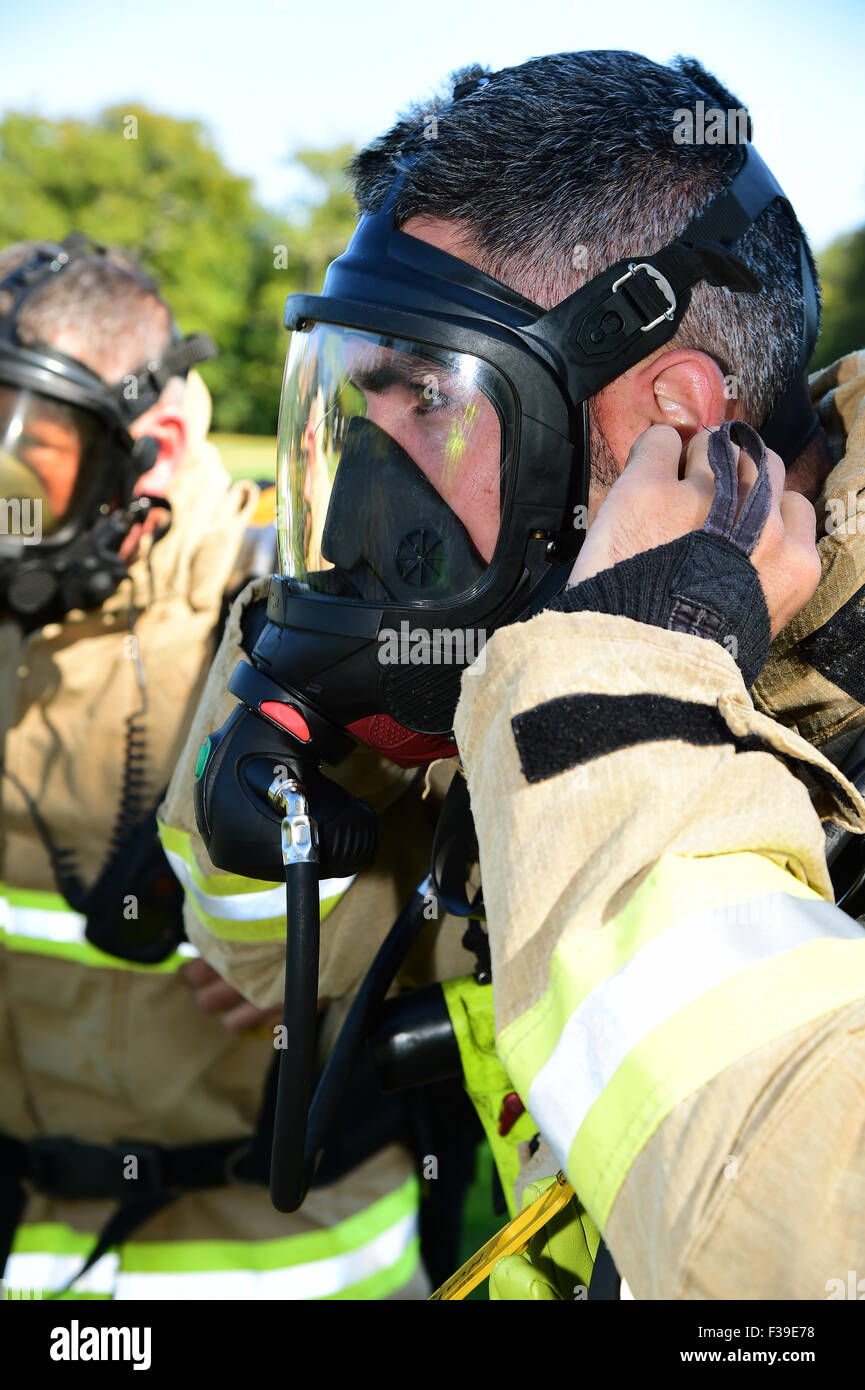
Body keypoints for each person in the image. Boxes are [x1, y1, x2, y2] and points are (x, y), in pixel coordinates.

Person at [163, 50, 865, 1299]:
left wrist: (630, 694)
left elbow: (796, 1245)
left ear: (675, 426)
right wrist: (323, 686)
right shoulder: (525, 641)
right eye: (354, 417)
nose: (373, 506)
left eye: (428, 403)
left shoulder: (584, 673)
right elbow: (280, 964)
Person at [0, 237, 434, 1301]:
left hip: (290, 1259)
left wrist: (342, 939)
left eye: (18, 468)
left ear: (158, 441)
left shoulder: (315, 619)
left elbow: (500, 885)